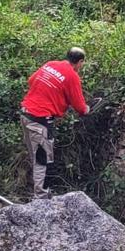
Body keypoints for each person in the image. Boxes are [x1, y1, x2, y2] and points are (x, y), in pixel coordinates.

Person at [20, 47, 90, 199]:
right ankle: (41, 199)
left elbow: (31, 80)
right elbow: (80, 106)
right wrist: (86, 109)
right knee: (42, 160)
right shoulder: (72, 76)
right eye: (82, 63)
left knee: (37, 157)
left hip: (26, 114)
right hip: (40, 121)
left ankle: (40, 193)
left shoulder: (51, 64)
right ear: (80, 62)